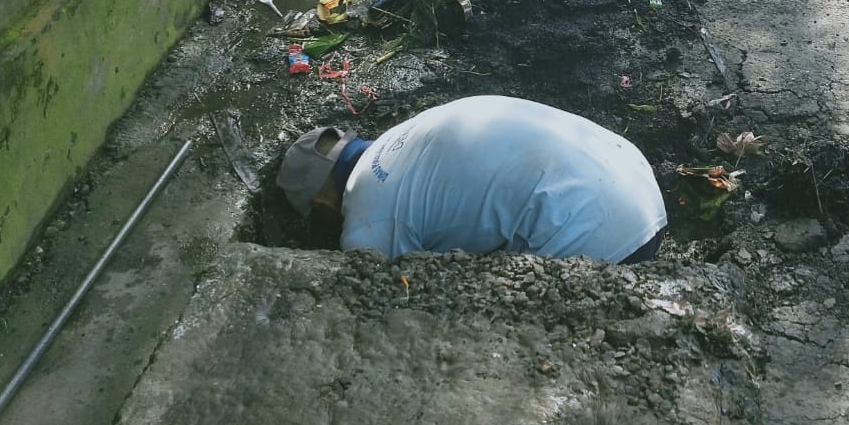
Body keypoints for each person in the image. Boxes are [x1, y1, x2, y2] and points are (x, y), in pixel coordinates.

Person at [277, 96, 667, 263]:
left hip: (606, 242)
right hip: (639, 186)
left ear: (322, 207)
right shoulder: (411, 131)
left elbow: (391, 303)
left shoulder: (369, 220)